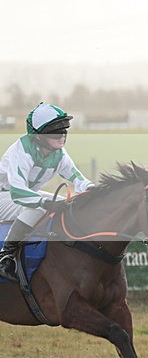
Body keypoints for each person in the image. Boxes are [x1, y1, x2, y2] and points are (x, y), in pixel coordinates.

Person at [0, 102, 94, 279]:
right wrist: (44, 202)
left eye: (64, 130)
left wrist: (92, 189)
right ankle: (5, 256)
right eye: (56, 131)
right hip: (5, 196)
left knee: (64, 203)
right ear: (38, 136)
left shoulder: (59, 154)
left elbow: (77, 178)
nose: (62, 136)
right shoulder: (21, 151)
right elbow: (18, 192)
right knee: (41, 206)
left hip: (20, 198)